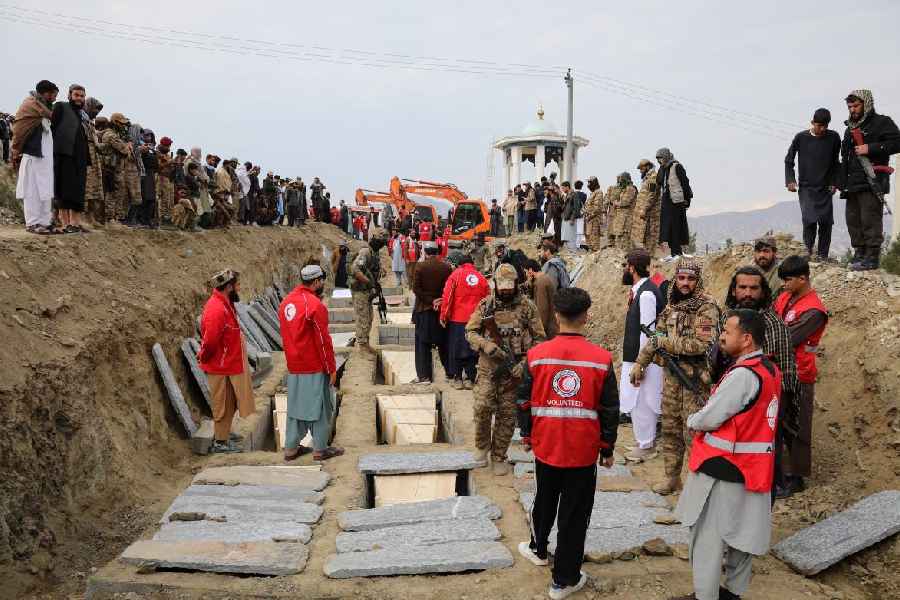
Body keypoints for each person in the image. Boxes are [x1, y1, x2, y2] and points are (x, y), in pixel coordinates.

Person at [516, 286, 619, 600]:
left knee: (544, 499)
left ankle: (538, 548)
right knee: (574, 514)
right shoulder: (602, 360)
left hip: (546, 445)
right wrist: (607, 447)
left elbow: (523, 400)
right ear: (586, 316)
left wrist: (526, 434)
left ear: (557, 315)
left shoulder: (536, 355)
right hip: (583, 451)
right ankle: (564, 580)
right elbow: (610, 408)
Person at [673, 309, 782, 600]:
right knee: (742, 538)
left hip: (723, 468)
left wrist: (692, 419)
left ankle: (705, 596)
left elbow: (711, 418)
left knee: (707, 539)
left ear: (746, 339)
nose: (721, 335)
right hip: (754, 469)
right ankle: (733, 594)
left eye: (728, 331)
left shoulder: (742, 376)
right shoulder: (770, 370)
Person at [630, 257, 721, 495]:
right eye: (681, 278)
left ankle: (697, 485)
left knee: (694, 434)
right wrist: (640, 363)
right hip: (671, 380)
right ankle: (672, 478)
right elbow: (655, 337)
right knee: (670, 430)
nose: (685, 283)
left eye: (691, 279)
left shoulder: (706, 307)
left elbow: (701, 345)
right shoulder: (671, 306)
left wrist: (665, 343)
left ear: (698, 281)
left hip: (694, 383)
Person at [720, 265, 798, 502]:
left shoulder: (774, 325)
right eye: (742, 287)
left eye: (754, 288)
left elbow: (786, 373)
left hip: (761, 417)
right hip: (726, 409)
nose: (748, 293)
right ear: (734, 290)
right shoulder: (725, 319)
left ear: (763, 292)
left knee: (761, 475)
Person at [466, 263, 546, 475]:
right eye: (502, 285)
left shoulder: (528, 307)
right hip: (488, 369)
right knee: (482, 407)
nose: (506, 289)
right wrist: (486, 345)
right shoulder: (485, 306)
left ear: (516, 284)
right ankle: (482, 446)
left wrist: (524, 364)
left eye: (510, 285)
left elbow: (540, 340)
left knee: (508, 415)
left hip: (514, 371)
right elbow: (470, 332)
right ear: (495, 284)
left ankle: (499, 455)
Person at [772, 255, 828, 498]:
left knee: (798, 426)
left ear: (803, 278)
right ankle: (780, 474)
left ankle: (797, 479)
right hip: (780, 371)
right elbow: (771, 321)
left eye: (788, 280)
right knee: (778, 425)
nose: (784, 284)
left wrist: (770, 337)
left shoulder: (815, 310)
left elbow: (787, 338)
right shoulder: (786, 297)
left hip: (800, 375)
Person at [279, 264, 345, 462]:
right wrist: (331, 368)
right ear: (316, 282)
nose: (323, 284)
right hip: (313, 365)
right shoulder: (315, 305)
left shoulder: (286, 303)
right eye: (322, 281)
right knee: (321, 406)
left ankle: (290, 448)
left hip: (294, 365)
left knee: (296, 407)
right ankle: (320, 449)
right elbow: (324, 342)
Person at [839, 90, 900, 270]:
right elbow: (845, 157)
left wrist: (871, 148)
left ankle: (872, 258)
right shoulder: (849, 129)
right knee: (853, 220)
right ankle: (859, 254)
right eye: (850, 107)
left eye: (856, 106)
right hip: (852, 183)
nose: (852, 110)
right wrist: (841, 183)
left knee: (870, 219)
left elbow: (897, 142)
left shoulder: (882, 122)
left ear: (866, 103)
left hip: (872, 181)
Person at [198, 270, 255, 453]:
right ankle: (220, 443)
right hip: (220, 366)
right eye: (237, 285)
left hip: (229, 364)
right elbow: (211, 341)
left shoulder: (225, 304)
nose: (239, 288)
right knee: (221, 404)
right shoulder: (216, 309)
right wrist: (205, 358)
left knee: (230, 402)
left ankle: (225, 434)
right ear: (229, 286)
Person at [619, 249, 665, 463]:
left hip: (644, 360)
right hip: (636, 358)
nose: (624, 271)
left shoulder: (646, 294)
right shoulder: (640, 291)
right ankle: (642, 441)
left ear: (632, 268)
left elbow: (648, 331)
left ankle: (647, 445)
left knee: (644, 401)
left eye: (625, 267)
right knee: (635, 401)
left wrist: (641, 364)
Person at [784, 108, 842, 261]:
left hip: (825, 188)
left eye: (825, 126)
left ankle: (823, 255)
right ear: (812, 123)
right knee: (809, 220)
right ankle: (807, 252)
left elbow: (836, 163)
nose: (822, 129)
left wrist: (834, 182)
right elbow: (789, 160)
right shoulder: (801, 138)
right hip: (806, 188)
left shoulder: (834, 138)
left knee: (826, 222)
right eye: (819, 125)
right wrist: (790, 180)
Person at [13, 80, 58, 235]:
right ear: (46, 93)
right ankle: (32, 223)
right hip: (33, 154)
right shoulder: (30, 105)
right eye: (53, 95)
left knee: (46, 188)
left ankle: (45, 222)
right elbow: (19, 130)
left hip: (45, 155)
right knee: (32, 189)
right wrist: (15, 150)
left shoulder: (46, 108)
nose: (54, 98)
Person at [440, 252, 489, 389]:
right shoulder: (481, 277)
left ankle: (457, 378)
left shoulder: (455, 275)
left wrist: (444, 316)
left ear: (460, 264)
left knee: (456, 348)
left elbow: (447, 297)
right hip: (476, 320)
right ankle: (470, 378)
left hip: (457, 319)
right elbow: (488, 298)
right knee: (473, 348)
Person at [51, 84, 91, 233]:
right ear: (69, 95)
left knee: (78, 191)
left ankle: (75, 223)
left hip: (80, 157)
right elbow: (52, 128)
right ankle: (65, 223)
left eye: (82, 96)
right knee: (64, 189)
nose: (79, 98)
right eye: (76, 95)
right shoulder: (61, 107)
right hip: (63, 155)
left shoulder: (83, 115)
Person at [411, 242, 453, 384]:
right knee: (443, 343)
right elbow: (449, 289)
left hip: (424, 310)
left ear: (425, 252)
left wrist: (430, 301)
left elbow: (416, 289)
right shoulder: (447, 268)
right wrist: (439, 301)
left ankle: (424, 376)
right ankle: (450, 372)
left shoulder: (420, 266)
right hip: (441, 311)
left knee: (422, 344)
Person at [349, 232, 388, 353]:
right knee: (363, 318)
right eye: (380, 242)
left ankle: (365, 342)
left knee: (370, 317)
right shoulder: (365, 252)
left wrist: (381, 271)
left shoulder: (374, 253)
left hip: (367, 291)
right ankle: (362, 345)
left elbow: (373, 269)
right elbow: (355, 269)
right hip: (360, 290)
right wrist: (369, 283)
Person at [656, 147, 693, 260]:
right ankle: (673, 253)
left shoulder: (676, 166)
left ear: (666, 156)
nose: (659, 161)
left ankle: (678, 253)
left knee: (676, 227)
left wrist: (687, 199)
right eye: (658, 159)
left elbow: (685, 184)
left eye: (661, 158)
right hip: (666, 201)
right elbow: (658, 182)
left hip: (676, 202)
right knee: (668, 228)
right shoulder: (663, 169)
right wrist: (661, 169)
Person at [82, 97, 105, 227]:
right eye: (95, 109)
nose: (96, 112)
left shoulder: (90, 122)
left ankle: (91, 216)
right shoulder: (82, 119)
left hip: (94, 157)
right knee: (87, 187)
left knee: (94, 188)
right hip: (86, 155)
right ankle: (84, 216)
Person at [523, 259, 558, 340]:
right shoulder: (543, 279)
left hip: (549, 330)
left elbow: (542, 310)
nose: (525, 275)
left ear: (530, 270)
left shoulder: (540, 283)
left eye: (525, 272)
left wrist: (539, 332)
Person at [631, 159, 660, 252]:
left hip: (651, 212)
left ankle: (650, 257)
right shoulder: (647, 178)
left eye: (641, 169)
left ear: (647, 167)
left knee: (651, 235)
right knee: (645, 235)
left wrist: (644, 209)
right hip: (646, 212)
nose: (640, 171)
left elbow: (652, 195)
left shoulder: (653, 177)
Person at [608, 172, 637, 250]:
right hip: (621, 218)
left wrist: (616, 203)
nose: (620, 181)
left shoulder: (630, 188)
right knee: (619, 238)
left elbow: (625, 202)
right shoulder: (624, 189)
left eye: (621, 180)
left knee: (625, 239)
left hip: (626, 218)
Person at [156, 136, 176, 229]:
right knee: (161, 199)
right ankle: (161, 220)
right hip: (160, 178)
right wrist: (168, 163)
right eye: (168, 146)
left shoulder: (167, 155)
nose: (169, 148)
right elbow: (157, 167)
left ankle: (166, 219)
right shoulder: (157, 153)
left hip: (167, 179)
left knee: (167, 201)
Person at [582, 176, 605, 251]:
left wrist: (590, 216)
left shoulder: (598, 192)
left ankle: (595, 258)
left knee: (594, 243)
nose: (588, 185)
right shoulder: (593, 193)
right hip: (588, 220)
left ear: (594, 183)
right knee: (589, 242)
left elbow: (597, 208)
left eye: (590, 183)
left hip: (593, 221)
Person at [559, 181, 579, 251]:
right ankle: (569, 252)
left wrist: (572, 219)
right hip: (566, 218)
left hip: (570, 219)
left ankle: (573, 251)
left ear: (567, 187)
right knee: (566, 236)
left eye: (563, 188)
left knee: (571, 237)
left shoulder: (574, 194)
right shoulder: (567, 195)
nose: (562, 190)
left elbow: (576, 208)